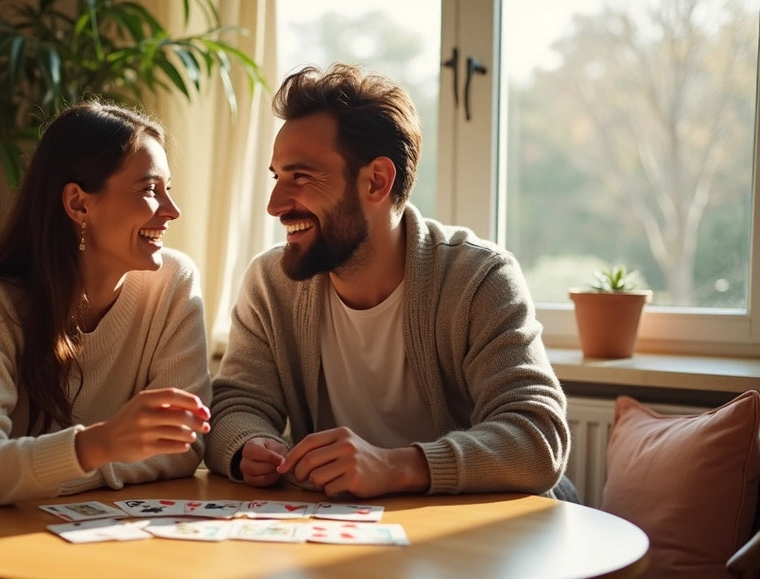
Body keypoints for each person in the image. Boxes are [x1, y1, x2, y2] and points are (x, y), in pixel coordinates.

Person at [0, 101, 212, 577]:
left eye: (168, 190)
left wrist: (48, 472)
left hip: (61, 545)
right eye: (150, 190)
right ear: (78, 203)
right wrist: (101, 444)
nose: (172, 211)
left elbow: (183, 445)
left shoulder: (174, 283)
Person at [204, 64, 573, 501]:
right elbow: (235, 407)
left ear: (376, 181)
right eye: (277, 177)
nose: (275, 205)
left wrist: (395, 467)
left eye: (300, 177)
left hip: (480, 534)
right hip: (351, 535)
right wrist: (248, 445)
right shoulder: (271, 283)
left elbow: (537, 438)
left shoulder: (479, 277)